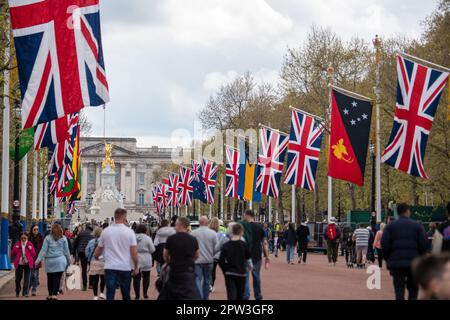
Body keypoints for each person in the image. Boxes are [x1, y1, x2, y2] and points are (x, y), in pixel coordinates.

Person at [381, 203, 428, 300]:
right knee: (413, 289)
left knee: (399, 289)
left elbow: (385, 245)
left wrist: (388, 259)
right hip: (414, 262)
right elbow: (423, 245)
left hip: (396, 262)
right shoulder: (417, 226)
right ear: (408, 211)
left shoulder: (390, 227)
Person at [94, 208, 139, 300]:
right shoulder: (130, 232)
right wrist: (136, 266)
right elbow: (134, 252)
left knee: (110, 292)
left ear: (115, 217)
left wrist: (99, 257)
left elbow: (98, 251)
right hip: (125, 267)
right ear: (124, 217)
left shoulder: (106, 231)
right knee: (126, 293)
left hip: (110, 266)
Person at [158, 217, 200, 300]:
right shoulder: (193, 239)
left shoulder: (171, 239)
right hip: (188, 270)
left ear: (179, 225)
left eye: (176, 224)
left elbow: (165, 255)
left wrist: (169, 262)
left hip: (175, 270)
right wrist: (190, 261)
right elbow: (197, 255)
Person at [35, 224, 71, 300]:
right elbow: (66, 251)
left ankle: (50, 294)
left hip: (49, 261)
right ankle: (55, 294)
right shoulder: (64, 238)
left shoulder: (47, 238)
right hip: (60, 260)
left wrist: (37, 261)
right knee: (57, 278)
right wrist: (69, 261)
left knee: (50, 277)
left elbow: (43, 251)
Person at [240, 210, 269, 300]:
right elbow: (264, 243)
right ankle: (258, 295)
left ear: (246, 215)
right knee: (256, 276)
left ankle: (246, 296)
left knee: (246, 277)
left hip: (245, 255)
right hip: (256, 255)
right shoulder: (259, 228)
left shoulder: (242, 227)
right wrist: (267, 256)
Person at [219, 223, 252, 300]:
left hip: (229, 272)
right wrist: (250, 267)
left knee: (231, 294)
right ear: (241, 232)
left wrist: (225, 269)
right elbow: (248, 258)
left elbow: (221, 260)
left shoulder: (226, 245)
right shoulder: (244, 245)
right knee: (240, 294)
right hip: (241, 273)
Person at [192, 216, 218, 300]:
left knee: (197, 279)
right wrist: (212, 254)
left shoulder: (194, 233)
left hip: (197, 260)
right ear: (207, 223)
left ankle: (199, 296)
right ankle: (205, 297)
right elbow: (216, 247)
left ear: (199, 223)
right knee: (207, 280)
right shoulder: (213, 233)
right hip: (209, 259)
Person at [133, 224, 155, 300]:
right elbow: (152, 249)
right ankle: (145, 293)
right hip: (146, 258)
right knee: (146, 276)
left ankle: (137, 295)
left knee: (136, 278)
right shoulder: (147, 238)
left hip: (135, 258)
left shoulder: (133, 237)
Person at [11, 233, 36, 298]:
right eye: (22, 238)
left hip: (27, 263)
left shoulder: (30, 244)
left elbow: (33, 254)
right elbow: (13, 252)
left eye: (25, 238)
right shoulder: (18, 244)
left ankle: (25, 292)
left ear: (27, 238)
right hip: (19, 264)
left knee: (27, 279)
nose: (23, 239)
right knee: (18, 279)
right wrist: (16, 247)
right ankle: (17, 290)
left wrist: (30, 248)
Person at [85, 227, 105, 300]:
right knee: (103, 279)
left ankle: (95, 295)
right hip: (103, 261)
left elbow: (87, 252)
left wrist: (89, 258)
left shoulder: (91, 242)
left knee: (95, 280)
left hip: (93, 261)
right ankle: (102, 293)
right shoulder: (105, 242)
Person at [73, 223, 93, 291]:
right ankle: (91, 284)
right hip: (91, 253)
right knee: (91, 269)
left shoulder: (81, 233)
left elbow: (75, 243)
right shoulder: (92, 234)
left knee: (84, 269)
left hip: (82, 252)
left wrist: (73, 252)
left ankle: (84, 286)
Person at [28, 224, 43, 296]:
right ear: (32, 230)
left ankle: (33, 290)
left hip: (37, 258)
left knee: (35, 274)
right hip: (30, 258)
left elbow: (42, 247)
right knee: (31, 275)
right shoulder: (29, 237)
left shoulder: (40, 237)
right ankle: (30, 287)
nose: (36, 231)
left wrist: (41, 256)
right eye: (34, 229)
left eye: (37, 229)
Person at [209, 217, 224, 293]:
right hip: (217, 255)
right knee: (213, 271)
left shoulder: (208, 232)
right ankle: (211, 285)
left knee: (209, 271)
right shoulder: (221, 233)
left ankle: (209, 285)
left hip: (208, 254)